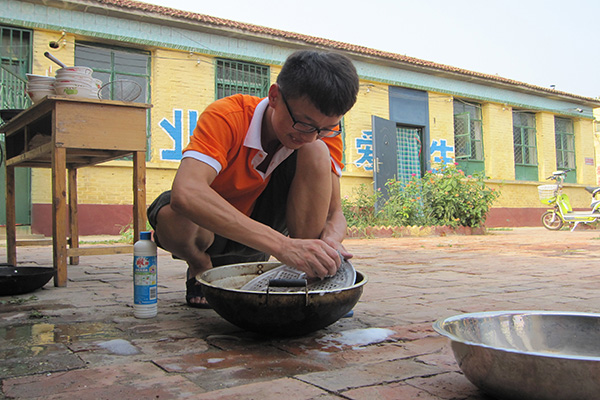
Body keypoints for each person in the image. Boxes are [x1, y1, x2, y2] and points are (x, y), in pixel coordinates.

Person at [147, 50, 360, 307]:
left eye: (325, 128)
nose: (311, 135)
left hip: (265, 233)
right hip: (210, 232)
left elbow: (334, 214)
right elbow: (187, 192)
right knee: (172, 215)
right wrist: (282, 246)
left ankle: (305, 271)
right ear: (274, 97)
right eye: (304, 124)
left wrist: (329, 244)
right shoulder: (227, 116)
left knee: (317, 151)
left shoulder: (321, 135)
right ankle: (199, 266)